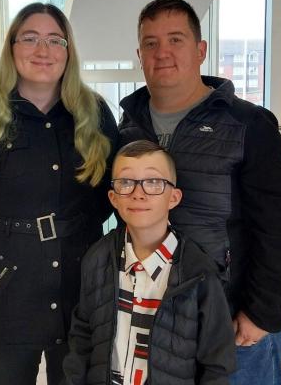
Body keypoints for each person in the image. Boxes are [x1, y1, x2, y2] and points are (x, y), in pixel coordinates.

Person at [118, 0, 281, 384]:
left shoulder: (248, 124)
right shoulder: (128, 127)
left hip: (234, 323)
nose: (163, 52)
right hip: (156, 320)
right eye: (151, 43)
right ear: (140, 55)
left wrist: (262, 312)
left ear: (201, 50)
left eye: (176, 40)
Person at [0, 3, 118, 385]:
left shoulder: (95, 113)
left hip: (79, 284)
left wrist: (74, 232)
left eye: (55, 40)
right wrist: (0, 241)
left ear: (68, 50)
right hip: (4, 290)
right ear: (11, 47)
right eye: (30, 38)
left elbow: (107, 194)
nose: (43, 50)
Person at [63, 140, 236, 385]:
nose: (138, 193)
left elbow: (216, 363)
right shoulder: (96, 258)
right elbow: (82, 336)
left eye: (153, 182)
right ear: (113, 198)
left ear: (174, 197)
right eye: (126, 182)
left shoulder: (199, 273)